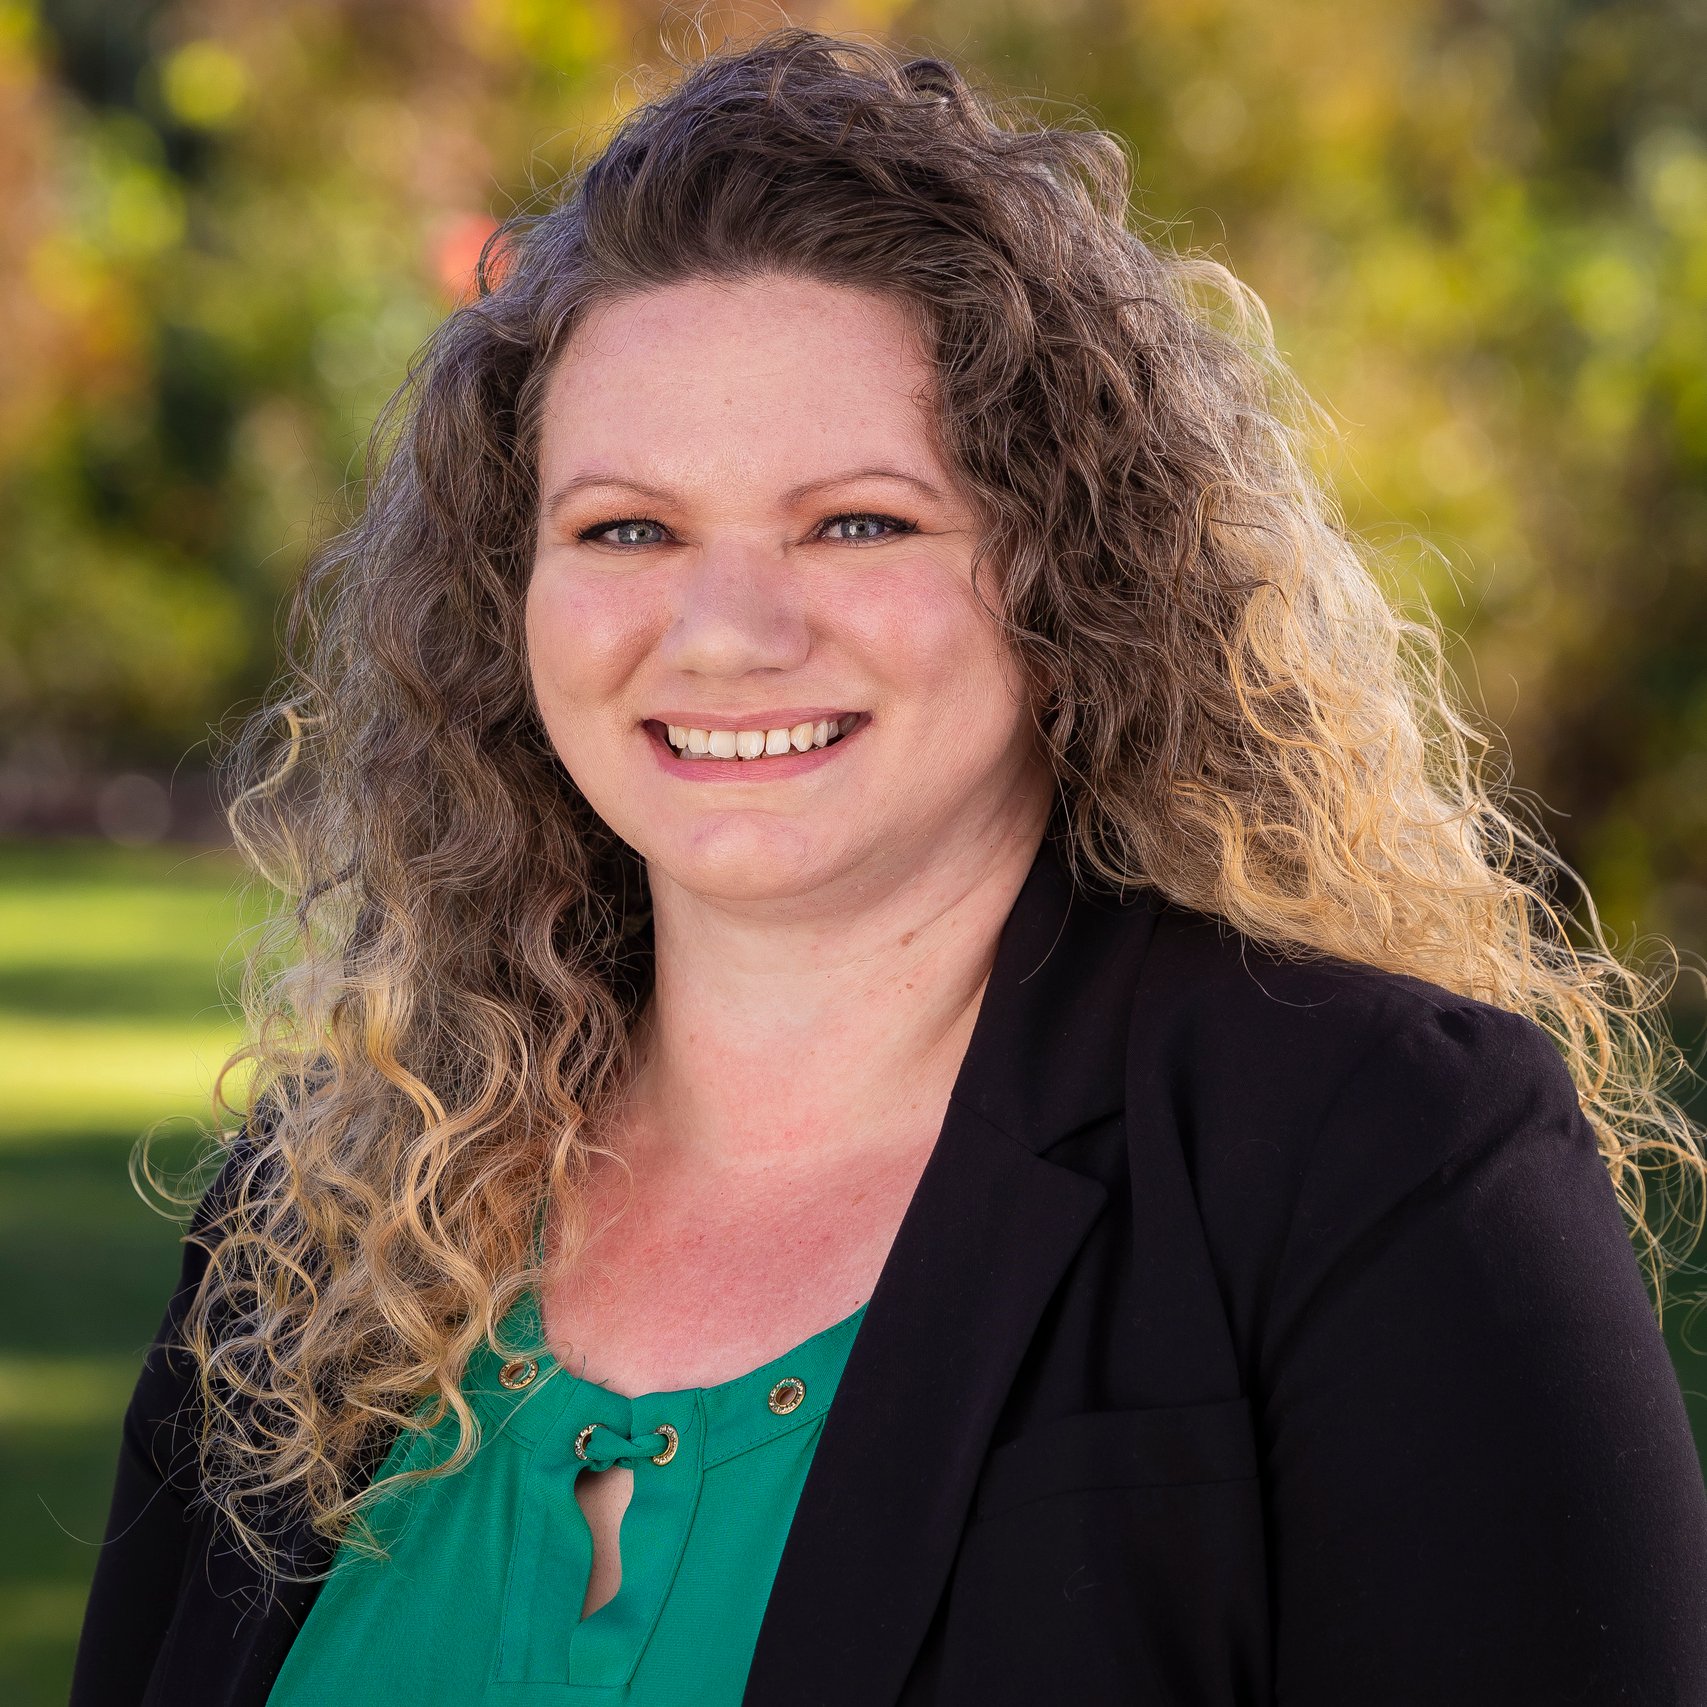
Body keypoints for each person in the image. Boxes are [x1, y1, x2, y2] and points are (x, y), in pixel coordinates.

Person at [70, 26, 1707, 1707]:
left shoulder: (1374, 1155)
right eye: (626, 527)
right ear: (512, 599)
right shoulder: (330, 1213)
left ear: (1069, 574)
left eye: (858, 521)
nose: (726, 632)